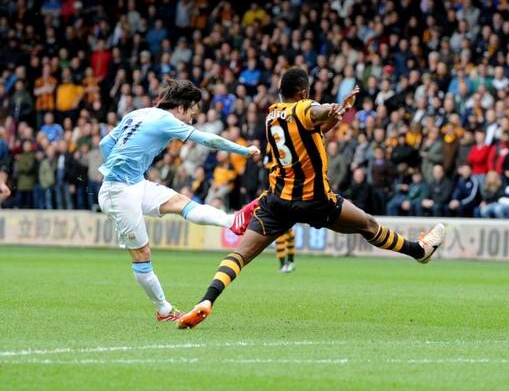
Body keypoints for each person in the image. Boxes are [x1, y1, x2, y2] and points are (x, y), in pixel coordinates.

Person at [177, 68, 445, 329]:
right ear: (304, 92)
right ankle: (418, 251)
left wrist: (336, 114)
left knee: (240, 255)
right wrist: (332, 107)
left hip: (278, 201)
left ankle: (206, 301)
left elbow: (310, 132)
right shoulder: (305, 107)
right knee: (368, 225)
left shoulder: (272, 117)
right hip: (314, 200)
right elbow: (314, 112)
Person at [97, 78, 262, 323]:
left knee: (179, 202)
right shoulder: (167, 120)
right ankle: (164, 310)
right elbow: (208, 140)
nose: (192, 119)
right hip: (118, 191)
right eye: (192, 112)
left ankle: (232, 220)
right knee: (142, 254)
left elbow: (105, 143)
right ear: (182, 107)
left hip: (133, 184)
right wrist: (244, 150)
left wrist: (123, 169)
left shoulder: (138, 113)